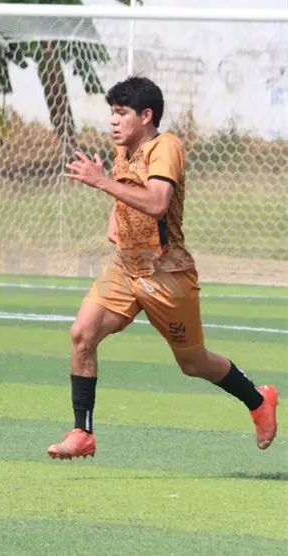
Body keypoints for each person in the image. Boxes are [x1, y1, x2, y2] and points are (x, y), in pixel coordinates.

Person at [50, 76, 278, 459]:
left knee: (194, 362)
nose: (113, 121)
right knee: (82, 335)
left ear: (146, 116)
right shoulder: (124, 148)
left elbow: (157, 203)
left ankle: (258, 400)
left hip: (167, 275)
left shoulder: (166, 147)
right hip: (125, 267)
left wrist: (102, 182)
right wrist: (115, 215)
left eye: (121, 113)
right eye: (112, 113)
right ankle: (82, 432)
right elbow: (127, 191)